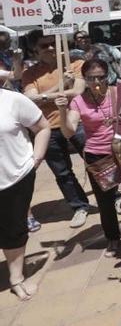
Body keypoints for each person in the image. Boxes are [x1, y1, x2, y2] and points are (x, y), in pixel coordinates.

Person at [21, 30, 90, 228]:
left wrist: (42, 97)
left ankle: (113, 196)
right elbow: (29, 100)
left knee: (96, 161)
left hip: (76, 123)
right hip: (48, 129)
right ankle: (79, 206)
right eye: (44, 45)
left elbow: (77, 91)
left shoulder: (75, 64)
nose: (51, 48)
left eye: (54, 43)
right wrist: (61, 86)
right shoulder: (30, 74)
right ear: (35, 50)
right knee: (62, 173)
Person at [55, 59, 121, 256]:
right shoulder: (78, 101)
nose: (97, 81)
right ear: (84, 79)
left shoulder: (117, 93)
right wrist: (61, 110)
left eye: (101, 76)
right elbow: (68, 133)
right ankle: (113, 237)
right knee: (105, 199)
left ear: (107, 76)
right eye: (91, 78)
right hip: (98, 154)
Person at [0, 88, 50, 301]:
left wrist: (36, 159)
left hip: (15, 178)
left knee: (13, 229)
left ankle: (16, 277)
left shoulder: (13, 100)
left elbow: (43, 127)